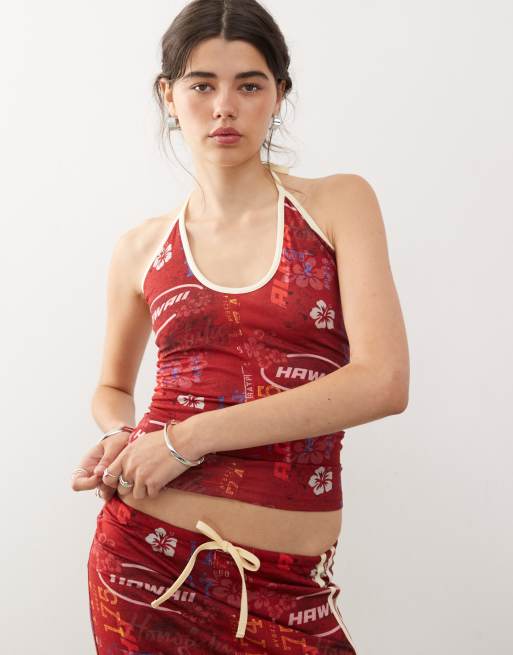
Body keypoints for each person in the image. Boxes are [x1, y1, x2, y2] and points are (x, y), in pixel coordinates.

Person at [71, 1, 409, 653]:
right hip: (143, 565)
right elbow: (111, 387)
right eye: (202, 85)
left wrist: (183, 440)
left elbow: (383, 382)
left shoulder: (336, 205)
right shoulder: (141, 247)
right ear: (168, 97)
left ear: (278, 94)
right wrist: (120, 435)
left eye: (248, 85)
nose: (224, 107)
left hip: (293, 588)